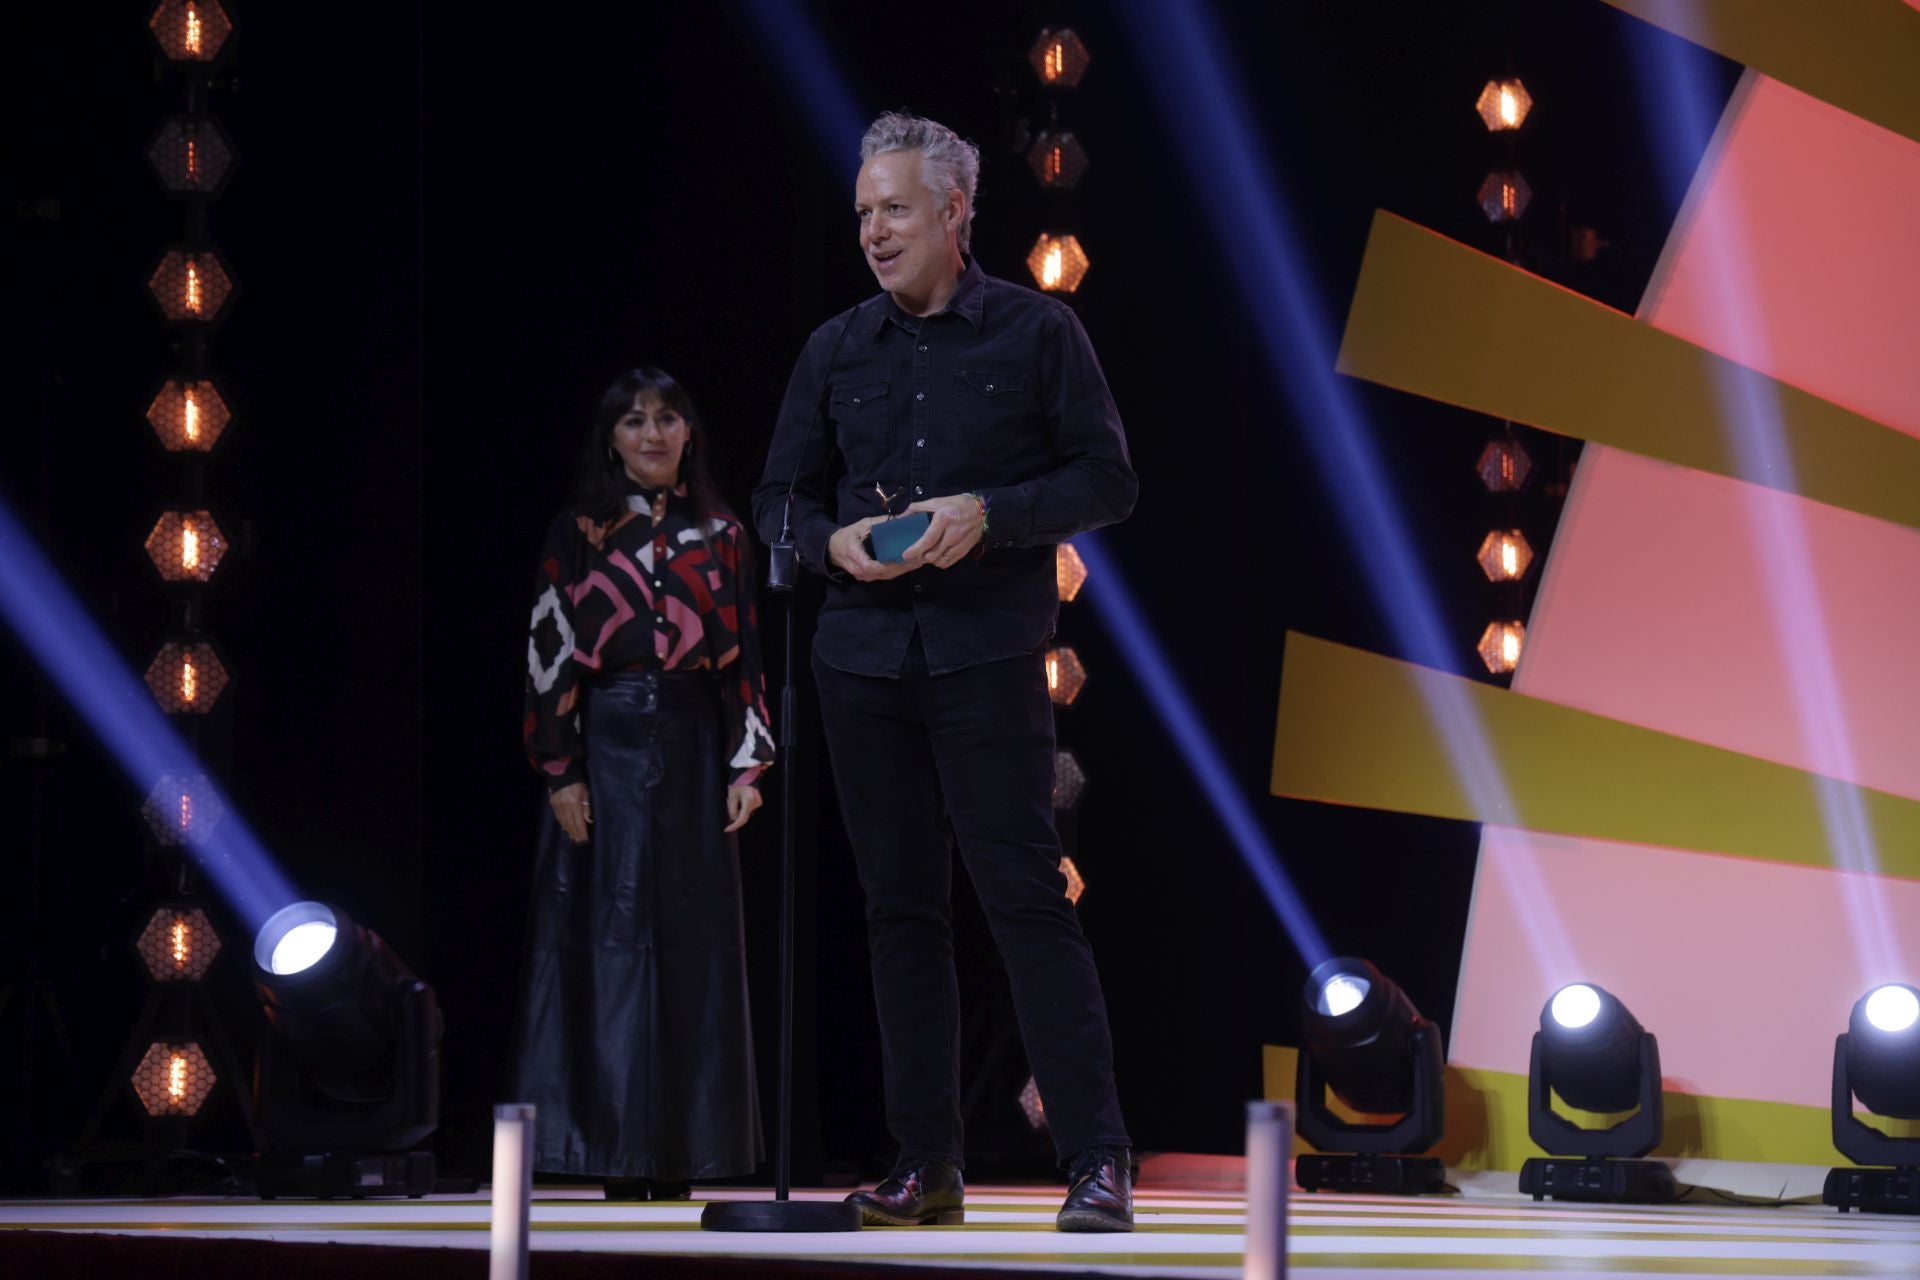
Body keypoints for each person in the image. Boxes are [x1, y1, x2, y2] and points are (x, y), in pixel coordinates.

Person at [753, 112, 1138, 1232]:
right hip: (860, 660)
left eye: (897, 210)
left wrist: (990, 514)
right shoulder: (835, 347)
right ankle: (927, 1163)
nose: (874, 230)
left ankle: (1096, 1155)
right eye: (864, 210)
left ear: (956, 212)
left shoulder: (1035, 331)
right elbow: (780, 497)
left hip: (985, 654)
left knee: (1023, 897)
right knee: (897, 911)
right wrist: (822, 541)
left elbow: (1109, 481)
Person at [516, 367, 773, 1200]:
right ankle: (614, 1155)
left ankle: (686, 1156)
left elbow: (744, 658)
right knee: (609, 949)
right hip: (612, 742)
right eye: (634, 422)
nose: (653, 434)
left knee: (695, 952)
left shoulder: (725, 533)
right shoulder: (579, 531)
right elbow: (549, 653)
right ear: (612, 438)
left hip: (698, 741)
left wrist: (749, 763)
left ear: (689, 433)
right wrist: (561, 768)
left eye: (668, 419)